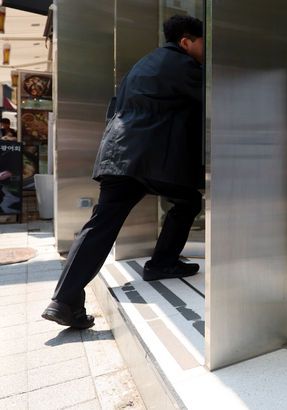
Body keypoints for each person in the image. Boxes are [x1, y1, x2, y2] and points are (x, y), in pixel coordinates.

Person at [42, 15, 205, 329]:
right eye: (203, 43)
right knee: (188, 202)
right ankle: (162, 263)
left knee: (101, 225)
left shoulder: (143, 65)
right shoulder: (182, 65)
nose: (207, 52)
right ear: (186, 42)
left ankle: (63, 299)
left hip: (118, 154)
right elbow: (217, 97)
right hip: (148, 159)